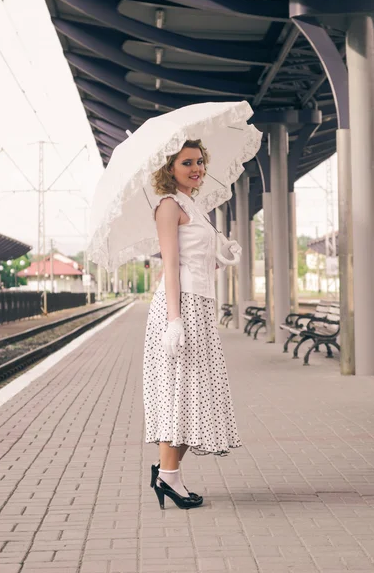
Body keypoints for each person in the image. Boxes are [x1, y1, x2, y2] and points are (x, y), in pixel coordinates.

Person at [143, 139, 242, 510]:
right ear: (169, 167)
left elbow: (200, 262)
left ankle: (168, 474)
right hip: (180, 309)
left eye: (200, 161)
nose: (196, 168)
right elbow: (171, 266)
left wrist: (224, 255)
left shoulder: (195, 206)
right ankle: (169, 477)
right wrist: (174, 320)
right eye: (187, 162)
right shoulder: (168, 206)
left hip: (201, 308)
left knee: (198, 394)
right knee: (179, 393)